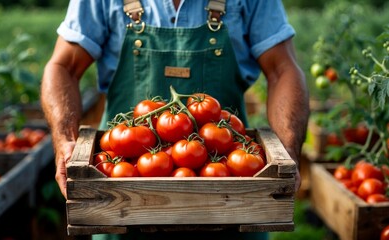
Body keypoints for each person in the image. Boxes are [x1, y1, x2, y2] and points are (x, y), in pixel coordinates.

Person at [40, 0, 309, 239]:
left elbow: (283, 70)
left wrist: (286, 153)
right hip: (120, 203)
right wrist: (64, 140)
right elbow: (63, 66)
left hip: (234, 201)